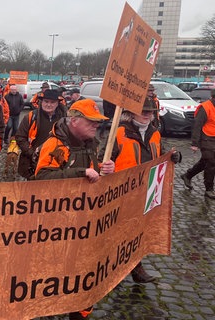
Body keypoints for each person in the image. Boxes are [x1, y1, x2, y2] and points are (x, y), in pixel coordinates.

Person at [35, 99, 115, 320]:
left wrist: (106, 169)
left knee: (83, 269)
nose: (96, 126)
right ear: (75, 121)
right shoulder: (55, 145)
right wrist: (80, 173)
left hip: (85, 220)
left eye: (97, 122)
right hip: (58, 223)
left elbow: (96, 174)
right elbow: (41, 179)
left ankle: (79, 310)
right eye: (91, 122)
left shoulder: (91, 143)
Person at [109, 97, 182, 282]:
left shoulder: (154, 133)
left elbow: (162, 154)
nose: (147, 115)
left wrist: (174, 156)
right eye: (143, 111)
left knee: (138, 231)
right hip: (122, 191)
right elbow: (106, 157)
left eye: (150, 112)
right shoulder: (119, 133)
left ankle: (135, 267)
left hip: (146, 191)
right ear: (132, 112)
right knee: (121, 231)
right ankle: (114, 267)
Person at [16, 89, 68, 179]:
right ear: (41, 102)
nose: (48, 105)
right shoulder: (31, 117)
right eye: (46, 101)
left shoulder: (65, 119)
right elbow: (20, 137)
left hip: (56, 163)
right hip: (33, 163)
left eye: (52, 102)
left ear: (57, 103)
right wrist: (32, 153)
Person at [180, 88, 215, 199]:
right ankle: (209, 189)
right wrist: (195, 143)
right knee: (211, 163)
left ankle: (188, 175)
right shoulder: (205, 107)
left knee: (205, 162)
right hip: (206, 139)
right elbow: (197, 126)